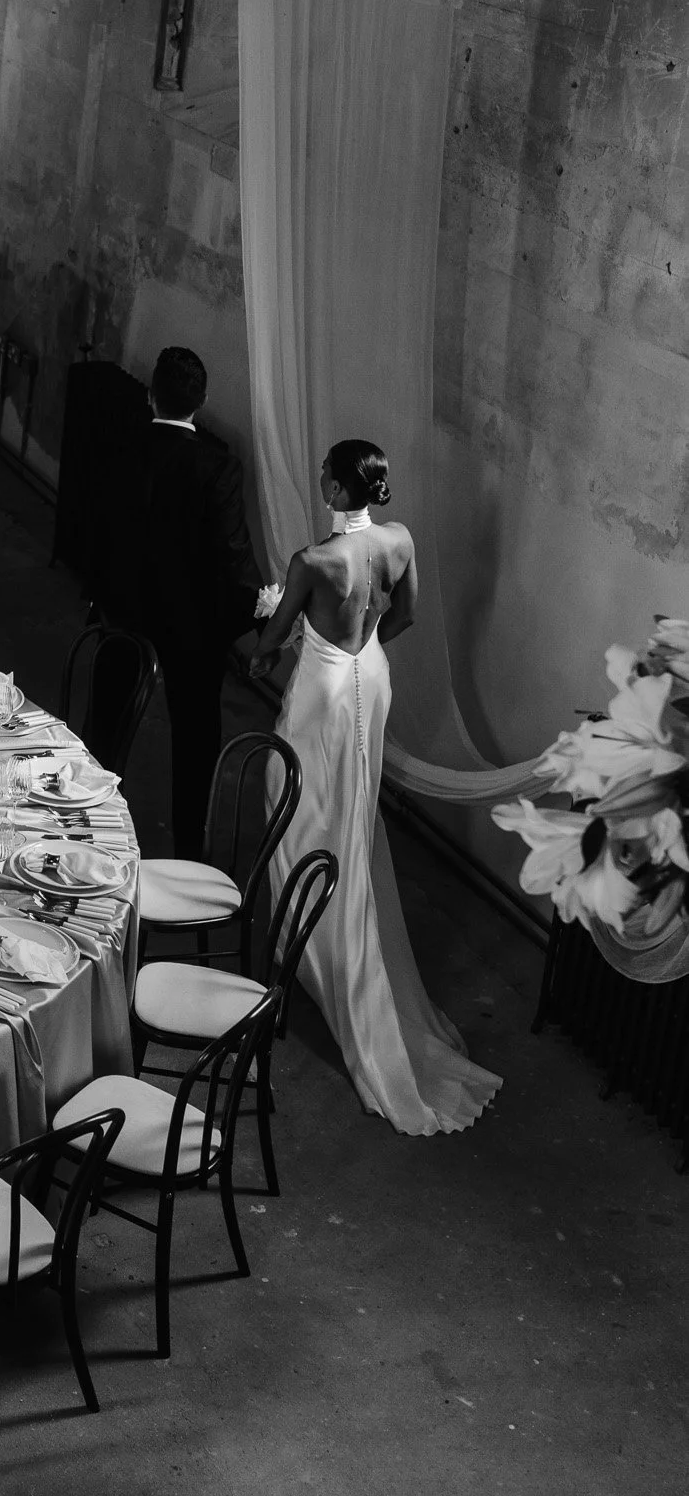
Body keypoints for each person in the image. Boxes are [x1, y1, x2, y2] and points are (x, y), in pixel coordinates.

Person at [251, 438, 500, 1135]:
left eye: (324, 477)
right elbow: (409, 615)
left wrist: (275, 639)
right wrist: (359, 647)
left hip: (325, 684)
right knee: (348, 808)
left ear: (334, 488)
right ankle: (321, 922)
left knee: (291, 795)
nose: (321, 482)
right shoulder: (397, 540)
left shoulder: (314, 561)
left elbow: (271, 637)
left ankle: (303, 939)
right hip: (369, 675)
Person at [120, 346, 263, 859]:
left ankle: (79, 831)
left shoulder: (124, 444)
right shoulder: (218, 465)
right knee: (196, 738)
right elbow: (232, 553)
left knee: (107, 727)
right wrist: (257, 616)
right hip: (192, 626)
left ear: (151, 394)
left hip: (124, 614)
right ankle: (187, 853)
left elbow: (99, 528)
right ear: (200, 402)